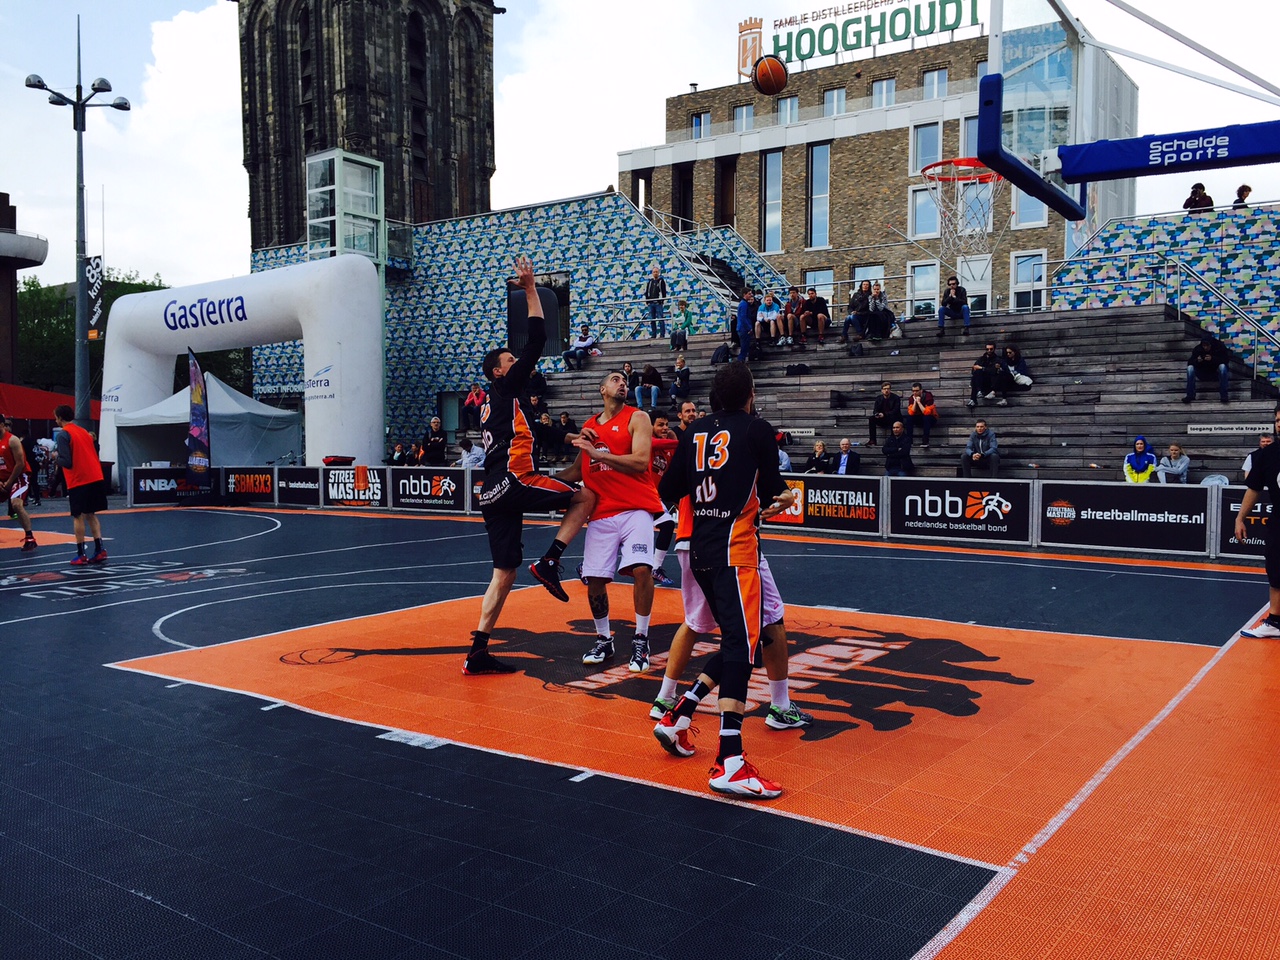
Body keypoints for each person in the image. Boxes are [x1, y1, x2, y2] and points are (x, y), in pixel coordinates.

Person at [655, 361, 795, 797]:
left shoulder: (694, 431)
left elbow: (668, 488)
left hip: (700, 549)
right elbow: (773, 488)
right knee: (743, 642)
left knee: (742, 641)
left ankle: (679, 713)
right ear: (750, 393)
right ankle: (729, 760)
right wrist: (783, 496)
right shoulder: (757, 429)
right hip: (737, 552)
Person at [467, 256, 596, 675]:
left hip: (492, 492)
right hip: (514, 481)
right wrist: (529, 290)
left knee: (503, 572)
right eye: (508, 360)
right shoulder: (504, 387)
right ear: (497, 372)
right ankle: (552, 560)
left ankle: (478, 651)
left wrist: (567, 438)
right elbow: (538, 340)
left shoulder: (500, 404)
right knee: (585, 496)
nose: (514, 363)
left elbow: (534, 434)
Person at [558, 369, 662, 672]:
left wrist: (599, 455)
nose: (622, 384)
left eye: (624, 381)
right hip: (601, 513)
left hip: (636, 508)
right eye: (615, 380)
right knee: (595, 580)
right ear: (602, 389)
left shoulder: (637, 417)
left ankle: (641, 639)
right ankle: (604, 639)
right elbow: (578, 471)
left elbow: (641, 461)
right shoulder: (590, 425)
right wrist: (538, 484)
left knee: (643, 569)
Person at [53, 405, 108, 565]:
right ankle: (100, 549)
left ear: (60, 418)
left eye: (56, 417)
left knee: (78, 516)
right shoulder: (84, 432)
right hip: (95, 476)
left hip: (79, 479)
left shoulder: (64, 435)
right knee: (91, 513)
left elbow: (67, 461)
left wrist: (55, 457)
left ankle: (81, 553)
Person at [649, 413, 680, 588]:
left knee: (623, 537)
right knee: (667, 525)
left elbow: (677, 453)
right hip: (639, 494)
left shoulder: (667, 449)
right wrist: (680, 442)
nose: (665, 428)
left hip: (653, 496)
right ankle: (655, 568)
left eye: (667, 424)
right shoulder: (646, 441)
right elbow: (654, 443)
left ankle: (655, 568)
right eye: (660, 424)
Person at [0, 415, 37, 553]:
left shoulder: (12, 440)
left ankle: (29, 537)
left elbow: (20, 463)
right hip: (2, 478)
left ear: (2, 425)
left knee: (16, 504)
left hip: (19, 476)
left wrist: (9, 482)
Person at [1184, 336, 1230, 404]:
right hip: (1202, 373)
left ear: (1211, 345)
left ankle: (1224, 395)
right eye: (1204, 346)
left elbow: (1226, 360)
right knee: (1190, 368)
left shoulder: (1219, 347)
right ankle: (1190, 395)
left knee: (1222, 367)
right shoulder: (1198, 349)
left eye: (1207, 346)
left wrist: (1213, 359)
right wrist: (1197, 360)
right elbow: (1190, 362)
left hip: (1215, 373)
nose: (1205, 348)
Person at [967, 342, 1002, 407]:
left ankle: (973, 399)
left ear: (994, 349)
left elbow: (993, 371)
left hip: (990, 383)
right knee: (976, 374)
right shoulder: (981, 359)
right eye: (987, 349)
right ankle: (978, 393)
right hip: (980, 381)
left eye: (991, 349)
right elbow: (973, 369)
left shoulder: (997, 360)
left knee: (978, 373)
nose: (989, 351)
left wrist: (982, 368)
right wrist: (982, 369)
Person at [904, 382, 938, 449]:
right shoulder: (912, 398)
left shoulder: (928, 396)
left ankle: (925, 441)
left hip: (931, 418)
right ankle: (909, 442)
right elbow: (911, 413)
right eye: (913, 391)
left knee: (926, 417)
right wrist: (915, 402)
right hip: (919, 417)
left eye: (917, 391)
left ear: (921, 390)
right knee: (909, 418)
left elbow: (926, 412)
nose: (915, 393)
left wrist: (919, 402)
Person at [868, 381, 901, 446]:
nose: (886, 390)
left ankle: (893, 440)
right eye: (884, 389)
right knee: (871, 419)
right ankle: (872, 440)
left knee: (893, 418)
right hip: (882, 418)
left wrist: (885, 414)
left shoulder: (896, 398)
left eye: (888, 389)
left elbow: (895, 411)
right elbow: (875, 410)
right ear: (882, 390)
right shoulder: (878, 398)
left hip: (893, 418)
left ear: (890, 390)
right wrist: (877, 414)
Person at [644, 265, 668, 338]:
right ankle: (653, 335)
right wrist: (647, 301)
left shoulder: (661, 281)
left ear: (659, 273)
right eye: (654, 272)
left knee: (660, 319)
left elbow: (663, 292)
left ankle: (662, 335)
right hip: (651, 303)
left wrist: (661, 300)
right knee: (652, 320)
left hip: (658, 303)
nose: (655, 273)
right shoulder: (650, 282)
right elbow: (647, 291)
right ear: (652, 273)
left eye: (656, 272)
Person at [735, 288, 755, 362]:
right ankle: (740, 364)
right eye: (749, 294)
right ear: (744, 294)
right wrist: (749, 328)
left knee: (744, 349)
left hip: (741, 328)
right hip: (743, 329)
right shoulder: (744, 304)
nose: (751, 295)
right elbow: (743, 317)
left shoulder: (743, 303)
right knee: (744, 349)